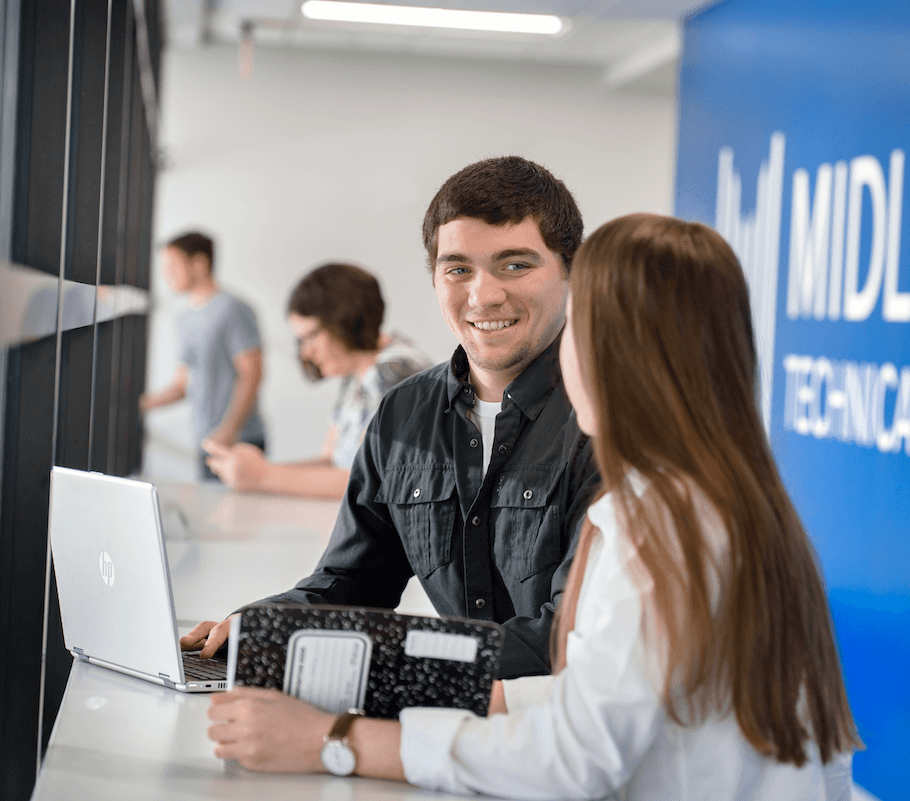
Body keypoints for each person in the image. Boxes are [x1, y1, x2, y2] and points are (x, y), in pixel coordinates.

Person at [203, 213, 863, 798]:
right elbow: (597, 690)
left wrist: (336, 739)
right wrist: (401, 691)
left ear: (623, 355)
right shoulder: (717, 498)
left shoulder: (659, 521)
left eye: (578, 328)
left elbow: (580, 753)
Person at [181, 156, 601, 682]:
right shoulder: (404, 414)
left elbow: (565, 639)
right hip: (453, 714)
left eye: (516, 264)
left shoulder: (609, 423)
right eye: (457, 269)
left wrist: (385, 662)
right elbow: (354, 579)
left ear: (571, 269)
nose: (484, 294)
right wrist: (268, 625)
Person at [204, 262, 433, 500]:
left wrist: (264, 475)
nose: (304, 353)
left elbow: (375, 481)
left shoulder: (397, 374)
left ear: (345, 321)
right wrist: (252, 471)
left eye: (310, 337)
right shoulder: (358, 373)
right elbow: (333, 463)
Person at [140, 232, 266, 480]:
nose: (166, 274)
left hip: (237, 441)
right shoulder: (184, 317)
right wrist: (141, 404)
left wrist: (228, 430)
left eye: (172, 266)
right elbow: (183, 383)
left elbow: (252, 373)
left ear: (199, 264)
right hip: (204, 440)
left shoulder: (232, 310)